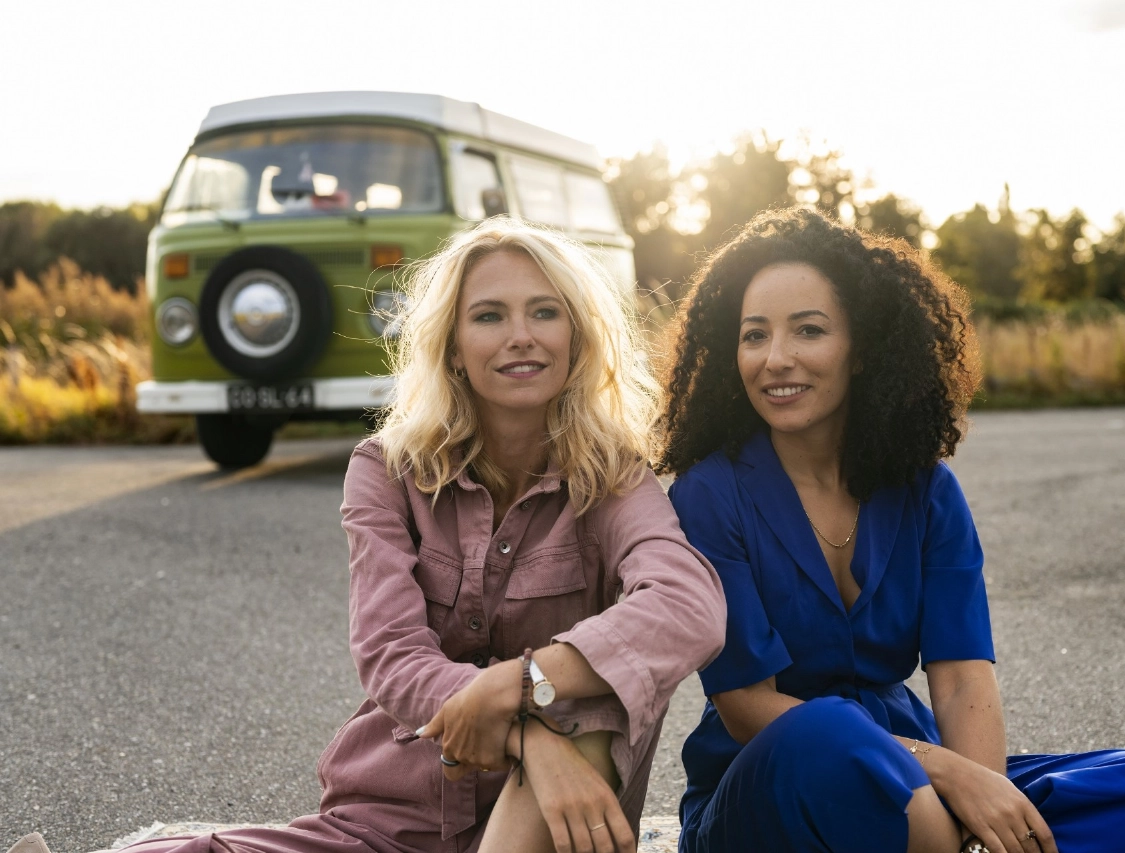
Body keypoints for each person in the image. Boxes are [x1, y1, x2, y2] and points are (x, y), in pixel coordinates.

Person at [117, 219, 726, 853]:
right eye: (489, 316)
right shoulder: (386, 471)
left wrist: (523, 683)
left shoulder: (613, 476)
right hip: (395, 811)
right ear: (453, 347)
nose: (521, 337)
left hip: (552, 816)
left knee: (594, 707)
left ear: (576, 334)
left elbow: (689, 608)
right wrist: (526, 732)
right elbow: (391, 655)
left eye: (545, 312)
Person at [657, 208, 1125, 853]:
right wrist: (947, 770)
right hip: (773, 790)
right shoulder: (707, 494)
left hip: (915, 781)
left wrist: (981, 795)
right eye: (754, 336)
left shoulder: (925, 489)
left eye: (808, 331)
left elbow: (961, 677)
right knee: (825, 731)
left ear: (863, 350)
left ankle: (953, 843)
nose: (776, 359)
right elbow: (746, 706)